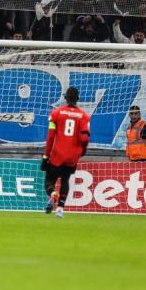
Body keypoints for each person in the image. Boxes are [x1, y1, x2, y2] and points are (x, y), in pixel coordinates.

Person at [42, 87, 90, 218]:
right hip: (72, 157)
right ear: (77, 99)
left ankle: (52, 194)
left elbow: (50, 137)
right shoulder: (84, 116)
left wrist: (46, 156)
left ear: (65, 98)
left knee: (49, 181)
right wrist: (82, 150)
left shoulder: (56, 113)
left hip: (57, 154)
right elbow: (85, 138)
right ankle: (60, 209)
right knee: (65, 181)